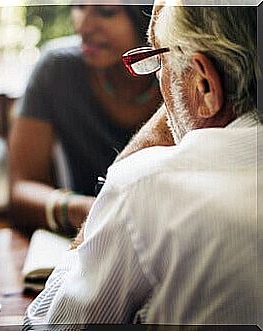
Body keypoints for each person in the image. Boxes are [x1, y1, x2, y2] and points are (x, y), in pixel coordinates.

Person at [24, 3, 260, 326]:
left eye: (160, 60)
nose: (83, 23)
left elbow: (47, 324)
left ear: (204, 84)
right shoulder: (58, 70)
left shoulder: (142, 186)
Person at [9, 5, 162, 236]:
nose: (83, 25)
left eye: (106, 12)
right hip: (89, 236)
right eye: (79, 6)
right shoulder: (56, 69)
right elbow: (21, 190)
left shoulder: (183, 75)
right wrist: (82, 210)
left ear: (148, 15)